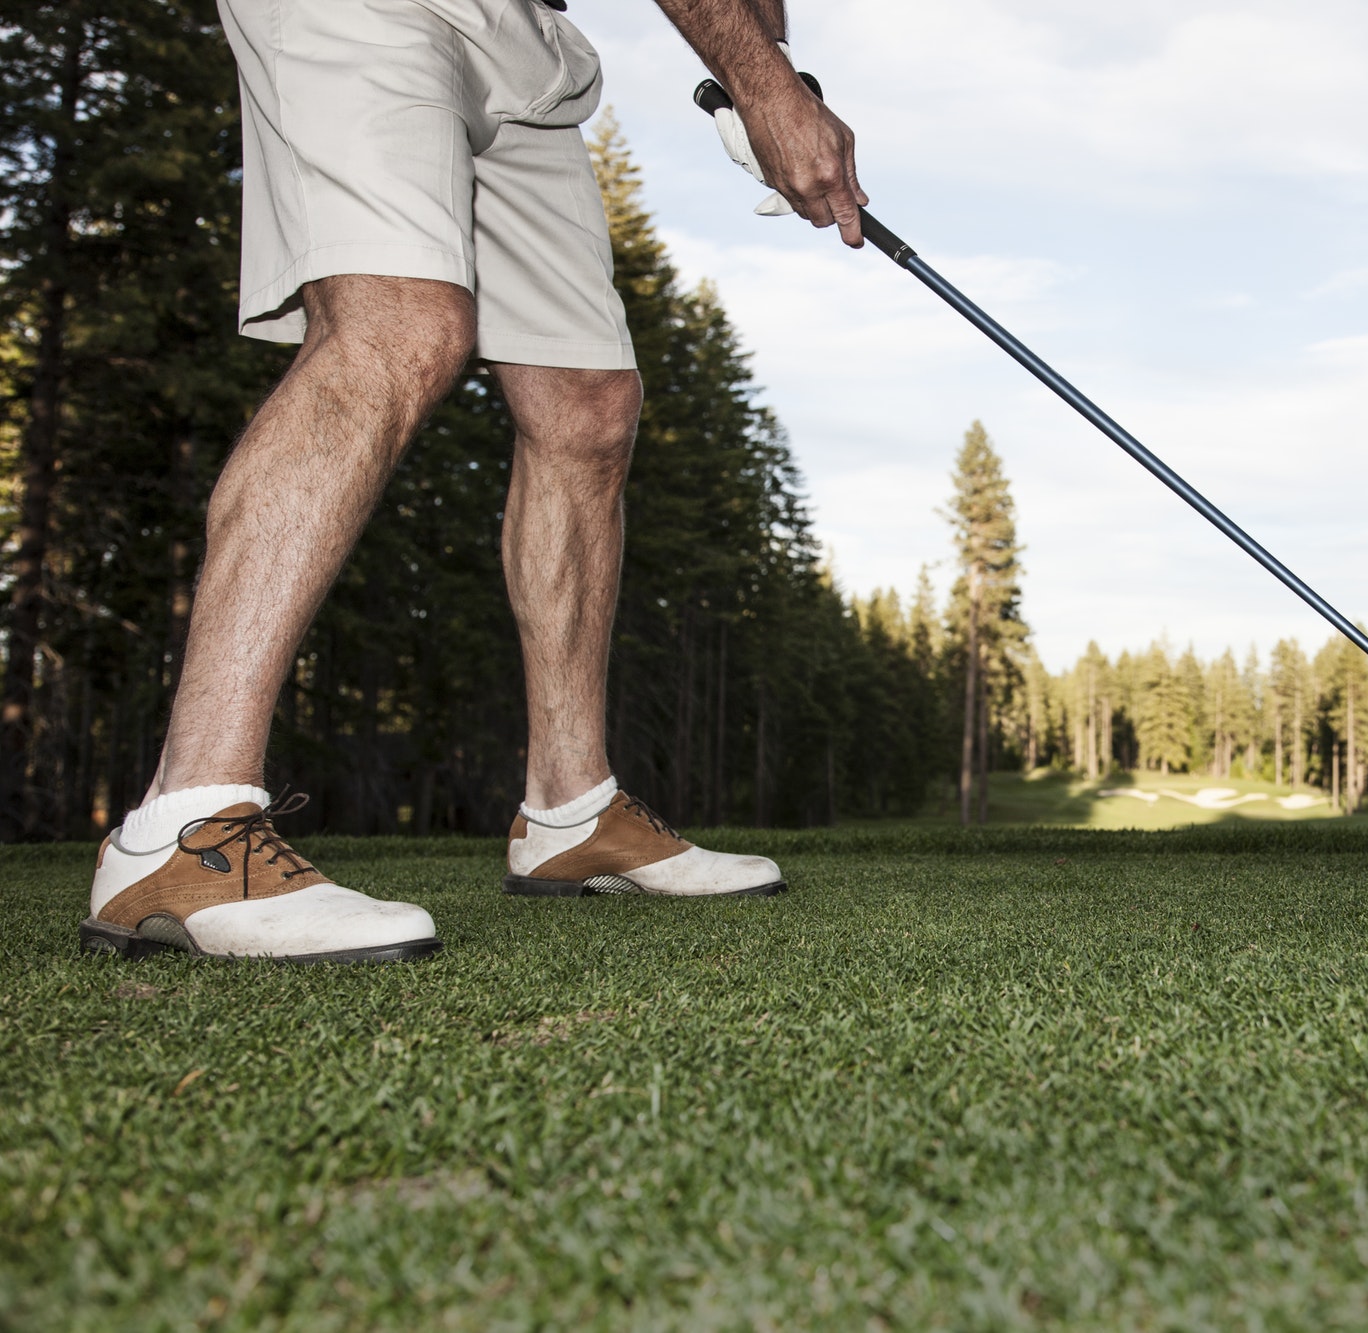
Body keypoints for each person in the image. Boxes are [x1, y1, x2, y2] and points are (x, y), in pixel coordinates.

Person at [80, 0, 864, 963]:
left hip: (524, 37)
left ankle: (571, 813)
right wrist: (763, 81)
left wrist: (765, 54)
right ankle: (183, 821)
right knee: (397, 326)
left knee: (588, 402)